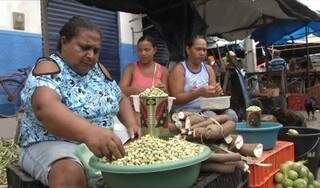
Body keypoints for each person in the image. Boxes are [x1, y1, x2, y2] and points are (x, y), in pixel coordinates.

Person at [17, 16, 141, 188]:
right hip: (54, 143)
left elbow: (120, 98)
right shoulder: (49, 67)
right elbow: (45, 107)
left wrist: (132, 124)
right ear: (64, 42)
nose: (91, 56)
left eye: (96, 51)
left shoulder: (99, 70)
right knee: (69, 173)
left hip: (98, 144)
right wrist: (89, 132)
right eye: (84, 47)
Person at [168, 35, 238, 122]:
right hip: (185, 112)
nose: (202, 53)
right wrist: (198, 93)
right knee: (211, 116)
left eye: (204, 50)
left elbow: (213, 97)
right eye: (198, 49)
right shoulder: (179, 69)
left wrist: (217, 92)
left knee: (232, 115)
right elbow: (176, 99)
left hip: (207, 109)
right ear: (188, 50)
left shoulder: (208, 69)